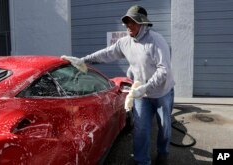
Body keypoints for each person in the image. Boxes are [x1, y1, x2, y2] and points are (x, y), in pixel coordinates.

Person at [61, 5, 175, 165]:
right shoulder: (125, 42)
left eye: (133, 22)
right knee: (141, 129)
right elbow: (107, 53)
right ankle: (141, 161)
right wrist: (84, 60)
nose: (129, 26)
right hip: (140, 93)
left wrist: (145, 87)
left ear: (143, 24)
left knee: (164, 127)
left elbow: (164, 70)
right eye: (127, 22)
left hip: (162, 92)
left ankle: (163, 153)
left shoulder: (156, 41)